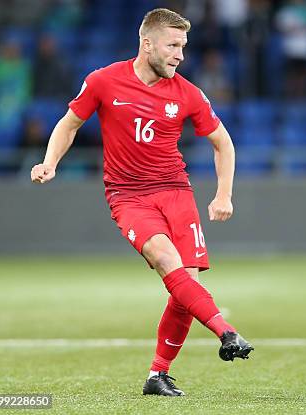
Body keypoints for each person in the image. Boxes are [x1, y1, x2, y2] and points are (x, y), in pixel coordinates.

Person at [30, 8, 253, 397]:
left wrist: (223, 194)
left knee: (185, 291)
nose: (180, 54)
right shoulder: (103, 81)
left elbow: (223, 142)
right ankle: (227, 331)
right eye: (172, 45)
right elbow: (69, 123)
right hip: (128, 196)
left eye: (183, 46)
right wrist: (49, 162)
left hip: (176, 192)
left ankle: (157, 376)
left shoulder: (187, 92)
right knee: (169, 262)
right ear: (146, 43)